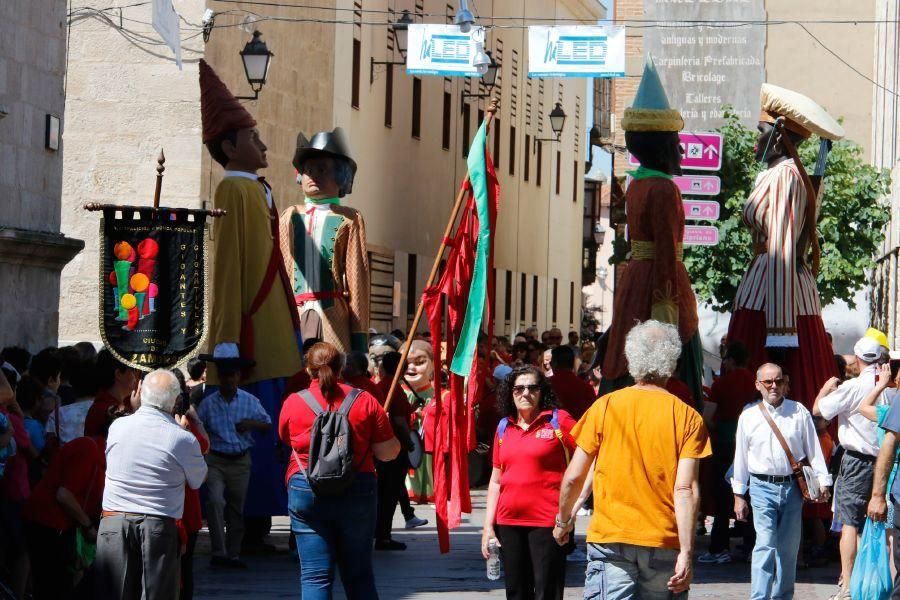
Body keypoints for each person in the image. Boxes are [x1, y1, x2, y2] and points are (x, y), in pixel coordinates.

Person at [200, 58, 303, 522]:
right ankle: (252, 519)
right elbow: (227, 270)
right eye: (252, 138)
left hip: (275, 331)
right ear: (228, 145)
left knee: (271, 429)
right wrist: (226, 338)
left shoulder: (256, 189)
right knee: (253, 433)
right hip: (253, 337)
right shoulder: (233, 191)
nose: (262, 145)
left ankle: (263, 515)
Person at [555, 320, 711, 599]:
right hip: (664, 539)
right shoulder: (688, 416)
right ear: (672, 360)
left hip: (611, 537)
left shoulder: (605, 406)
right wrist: (687, 552)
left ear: (630, 359)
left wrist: (563, 520)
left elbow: (573, 477)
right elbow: (685, 489)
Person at [725, 84, 844, 410]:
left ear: (779, 135)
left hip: (775, 298)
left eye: (761, 130)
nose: (755, 138)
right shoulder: (783, 173)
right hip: (778, 289)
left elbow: (781, 251)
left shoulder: (783, 176)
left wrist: (779, 335)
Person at [600, 56, 703, 407]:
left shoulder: (636, 185)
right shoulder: (662, 188)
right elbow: (664, 249)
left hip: (635, 281)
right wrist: (667, 309)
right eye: (675, 141)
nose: (680, 148)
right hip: (661, 281)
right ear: (662, 146)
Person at [279, 342, 400, 599]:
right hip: (357, 487)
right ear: (342, 366)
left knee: (314, 575)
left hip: (305, 486)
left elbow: (285, 439)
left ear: (308, 369)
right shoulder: (365, 401)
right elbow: (388, 453)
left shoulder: (293, 402)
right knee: (359, 575)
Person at [94, 369, 207, 600]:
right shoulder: (182, 438)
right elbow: (197, 480)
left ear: (140, 395)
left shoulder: (117, 427)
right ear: (176, 401)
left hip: (115, 521)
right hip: (158, 523)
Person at [731, 363, 831, 599]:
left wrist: (823, 481)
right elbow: (741, 458)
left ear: (785, 383)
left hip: (792, 488)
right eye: (768, 382)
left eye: (778, 380)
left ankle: (782, 596)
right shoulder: (748, 416)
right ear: (758, 385)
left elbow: (813, 450)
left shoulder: (799, 412)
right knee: (764, 544)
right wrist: (738, 495)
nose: (773, 386)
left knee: (788, 549)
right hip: (760, 487)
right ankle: (760, 596)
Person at [481, 365, 576, 600]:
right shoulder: (504, 427)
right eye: (519, 388)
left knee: (547, 592)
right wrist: (487, 526)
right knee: (516, 592)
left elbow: (587, 460)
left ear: (542, 391)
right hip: (508, 522)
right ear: (510, 393)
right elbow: (495, 481)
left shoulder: (559, 421)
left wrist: (570, 514)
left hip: (548, 522)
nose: (525, 393)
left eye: (532, 388)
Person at [280, 128, 370, 353]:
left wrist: (359, 341)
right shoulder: (289, 216)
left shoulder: (350, 218)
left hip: (333, 315)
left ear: (341, 175)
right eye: (308, 169)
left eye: (322, 169)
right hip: (293, 313)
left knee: (334, 371)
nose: (313, 175)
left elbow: (357, 279)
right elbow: (280, 271)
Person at [813, 335, 882, 600]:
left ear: (856, 358)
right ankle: (872, 583)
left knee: (850, 524)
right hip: (885, 459)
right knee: (877, 522)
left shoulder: (853, 387)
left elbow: (818, 411)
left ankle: (850, 586)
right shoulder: (890, 386)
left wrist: (826, 388)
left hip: (856, 460)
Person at [196, 346, 272, 568]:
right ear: (219, 377)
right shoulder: (208, 403)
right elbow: (198, 428)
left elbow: (267, 424)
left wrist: (250, 424)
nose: (228, 379)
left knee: (236, 509)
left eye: (231, 375)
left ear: (238, 376)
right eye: (224, 375)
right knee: (216, 502)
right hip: (216, 460)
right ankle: (219, 552)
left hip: (240, 461)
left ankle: (233, 553)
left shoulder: (249, 401)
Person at [22, 431, 106, 599]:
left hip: (57, 524)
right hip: (47, 523)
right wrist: (88, 526)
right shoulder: (89, 450)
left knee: (58, 585)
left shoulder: (97, 451)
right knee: (53, 586)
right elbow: (64, 495)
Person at [699, 341, 757, 564]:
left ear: (731, 360)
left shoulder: (722, 384)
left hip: (725, 442)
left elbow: (707, 416)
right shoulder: (755, 382)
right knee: (751, 494)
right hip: (752, 444)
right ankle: (751, 545)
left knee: (722, 495)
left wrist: (717, 430)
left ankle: (719, 546)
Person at [374, 351, 424, 549]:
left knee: (384, 492)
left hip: (381, 446)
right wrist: (410, 443)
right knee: (389, 494)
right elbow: (399, 421)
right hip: (394, 446)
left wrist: (411, 407)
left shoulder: (380, 386)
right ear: (401, 369)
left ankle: (379, 532)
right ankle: (383, 537)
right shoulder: (394, 389)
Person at [84, 349, 136, 436]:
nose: (135, 376)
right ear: (119, 374)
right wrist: (137, 411)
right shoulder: (103, 410)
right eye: (132, 370)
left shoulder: (125, 402)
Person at [549, 345, 595, 420]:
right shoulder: (586, 388)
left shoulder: (547, 385)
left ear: (554, 363)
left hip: (553, 429)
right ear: (573, 362)